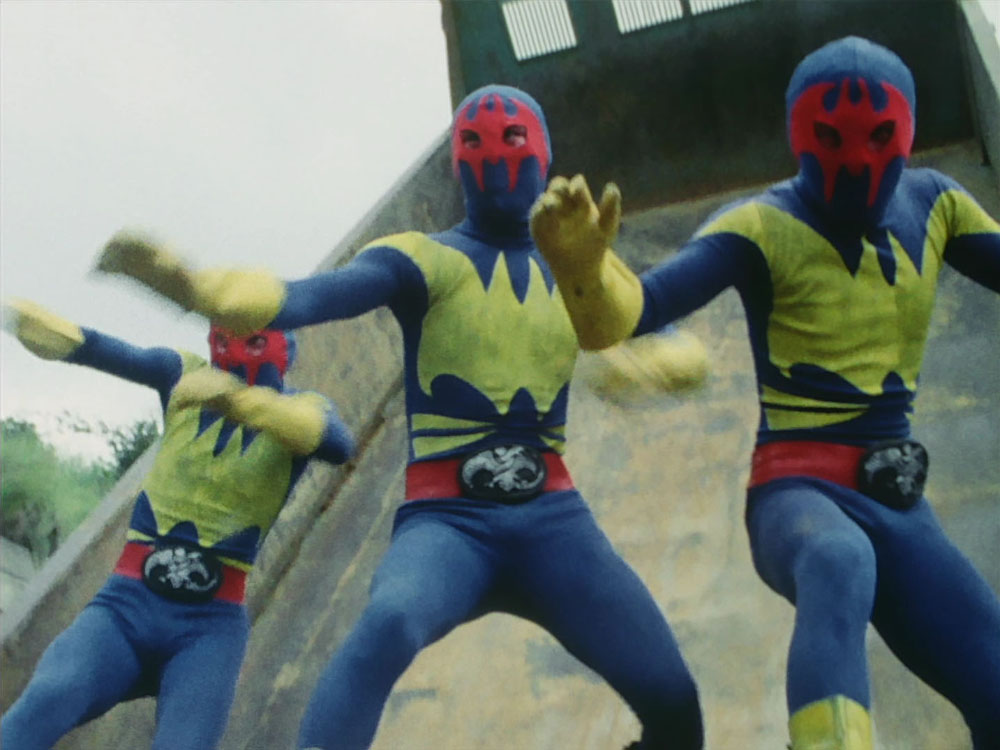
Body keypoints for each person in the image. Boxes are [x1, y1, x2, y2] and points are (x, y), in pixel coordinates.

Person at [93, 84, 707, 749]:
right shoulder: (422, 258)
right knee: (389, 622)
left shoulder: (578, 259)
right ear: (457, 164)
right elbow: (308, 296)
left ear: (544, 152)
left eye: (512, 139)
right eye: (474, 142)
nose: (495, 157)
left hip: (552, 518)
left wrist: (651, 355)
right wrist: (202, 289)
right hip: (447, 520)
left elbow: (661, 332)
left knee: (674, 700)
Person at [529, 36, 1000, 750]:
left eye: (878, 136)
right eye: (832, 138)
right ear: (799, 135)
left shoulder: (938, 206)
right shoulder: (760, 226)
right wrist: (584, 273)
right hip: (798, 492)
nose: (857, 162)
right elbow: (635, 313)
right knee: (838, 559)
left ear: (907, 128)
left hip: (898, 498)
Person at [1, 299, 354, 750]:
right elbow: (111, 352)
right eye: (223, 334)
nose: (232, 347)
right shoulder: (184, 375)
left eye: (250, 337)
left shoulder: (304, 410)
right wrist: (44, 327)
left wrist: (243, 403)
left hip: (207, 632)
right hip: (124, 609)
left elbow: (337, 444)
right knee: (49, 697)